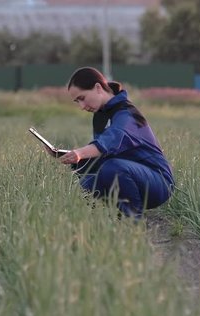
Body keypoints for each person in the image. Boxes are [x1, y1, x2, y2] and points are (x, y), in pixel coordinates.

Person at [59, 67, 174, 218]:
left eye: (82, 98)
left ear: (98, 88)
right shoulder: (100, 116)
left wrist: (80, 153)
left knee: (112, 167)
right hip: (127, 175)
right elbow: (98, 157)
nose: (81, 106)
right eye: (77, 102)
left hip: (158, 182)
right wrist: (67, 157)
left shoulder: (127, 113)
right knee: (80, 186)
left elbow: (109, 143)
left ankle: (132, 222)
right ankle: (94, 224)